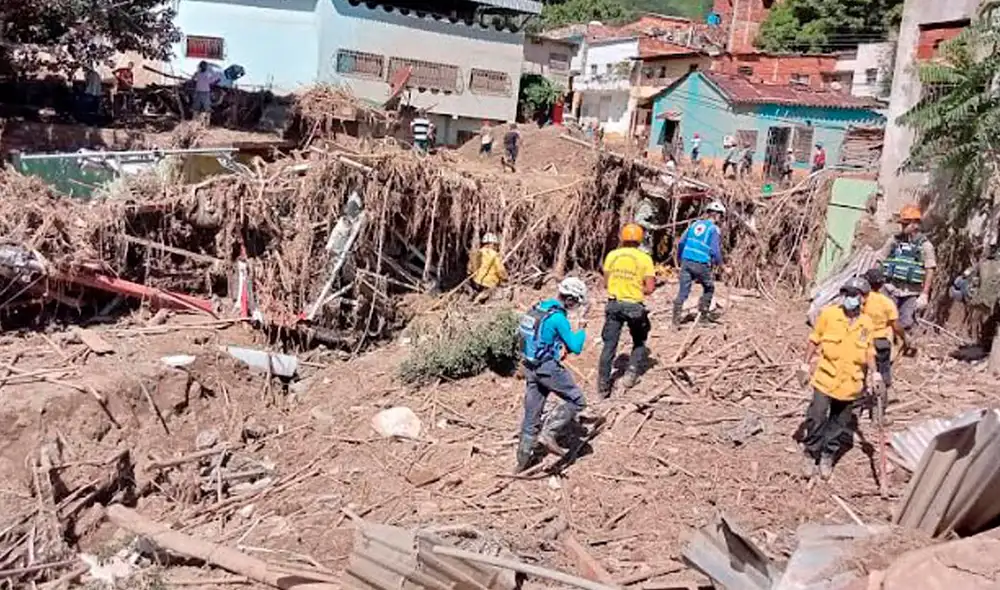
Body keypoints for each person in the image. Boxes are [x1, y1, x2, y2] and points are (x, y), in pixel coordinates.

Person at [796, 277, 878, 479]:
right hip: (825, 378)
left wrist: (874, 374)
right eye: (848, 294)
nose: (851, 299)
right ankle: (810, 452)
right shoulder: (830, 315)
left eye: (855, 295)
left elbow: (869, 351)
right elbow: (814, 340)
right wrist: (805, 365)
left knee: (839, 424)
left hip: (850, 384)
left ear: (862, 298)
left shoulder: (867, 324)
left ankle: (827, 455)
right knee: (816, 417)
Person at [515, 277, 589, 472]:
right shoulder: (558, 318)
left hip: (531, 368)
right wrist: (581, 329)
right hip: (548, 368)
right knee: (577, 401)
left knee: (531, 417)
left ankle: (521, 464)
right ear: (571, 299)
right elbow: (576, 346)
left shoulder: (537, 309)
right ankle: (550, 433)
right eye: (577, 302)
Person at [597, 224, 655, 396]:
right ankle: (631, 375)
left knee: (609, 345)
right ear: (640, 239)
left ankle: (603, 387)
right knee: (639, 340)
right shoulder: (645, 259)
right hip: (634, 307)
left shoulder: (612, 256)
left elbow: (606, 283)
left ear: (622, 238)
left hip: (614, 305)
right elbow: (650, 288)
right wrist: (636, 289)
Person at [876, 204, 937, 336]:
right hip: (890, 288)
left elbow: (930, 269)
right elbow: (880, 259)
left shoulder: (925, 246)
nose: (902, 227)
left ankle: (900, 351)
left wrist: (924, 294)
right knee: (884, 320)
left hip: (911, 293)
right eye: (902, 224)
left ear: (915, 225)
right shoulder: (894, 241)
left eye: (906, 224)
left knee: (906, 323)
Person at [672, 201, 726, 327]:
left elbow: (681, 242)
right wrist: (723, 267)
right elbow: (715, 251)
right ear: (718, 216)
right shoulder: (713, 229)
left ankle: (675, 322)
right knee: (709, 288)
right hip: (701, 262)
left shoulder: (693, 225)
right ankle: (703, 318)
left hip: (686, 261)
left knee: (683, 291)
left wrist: (680, 258)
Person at [862, 267, 906, 390]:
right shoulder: (887, 302)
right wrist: (904, 337)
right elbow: (896, 325)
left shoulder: (862, 300)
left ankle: (860, 393)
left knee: (861, 368)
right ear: (881, 284)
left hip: (863, 338)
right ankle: (883, 394)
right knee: (883, 368)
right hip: (880, 340)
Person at [468, 232, 508, 297]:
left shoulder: (476, 253)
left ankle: (477, 293)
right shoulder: (494, 255)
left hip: (475, 282)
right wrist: (505, 278)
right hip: (489, 283)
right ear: (491, 243)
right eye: (494, 244)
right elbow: (500, 270)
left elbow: (469, 269)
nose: (494, 246)